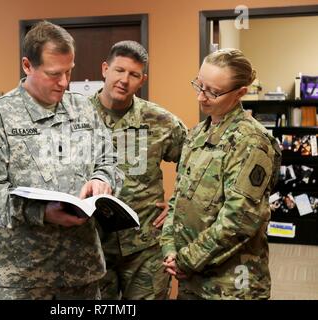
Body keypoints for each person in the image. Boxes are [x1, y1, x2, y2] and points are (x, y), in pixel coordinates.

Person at [0, 21, 123, 300]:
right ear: (27, 66)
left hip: (80, 275)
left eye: (69, 71)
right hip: (19, 279)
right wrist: (40, 212)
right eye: (54, 74)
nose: (64, 82)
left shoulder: (82, 108)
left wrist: (102, 179)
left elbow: (109, 159)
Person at [161, 48, 282, 300]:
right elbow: (178, 198)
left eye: (213, 92)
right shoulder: (196, 135)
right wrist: (170, 247)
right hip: (192, 278)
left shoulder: (252, 142)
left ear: (240, 93)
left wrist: (187, 260)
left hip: (230, 285)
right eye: (199, 85)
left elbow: (239, 219)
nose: (200, 97)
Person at [89, 40, 187, 299]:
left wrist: (177, 206)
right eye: (119, 70)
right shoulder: (78, 117)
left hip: (145, 245)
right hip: (92, 243)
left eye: (133, 75)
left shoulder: (161, 121)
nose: (124, 80)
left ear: (141, 80)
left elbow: (195, 165)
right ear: (104, 69)